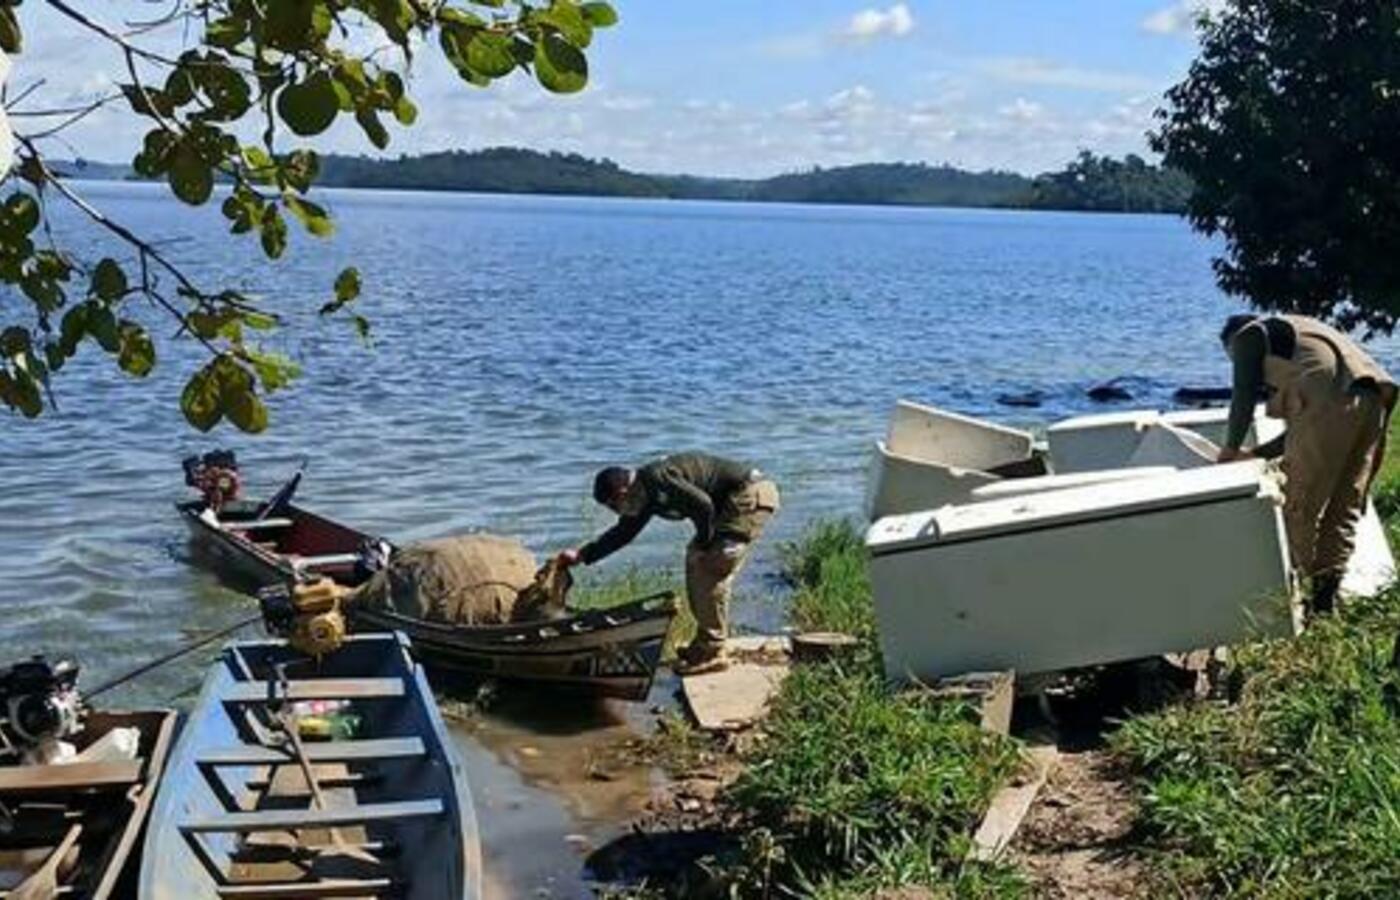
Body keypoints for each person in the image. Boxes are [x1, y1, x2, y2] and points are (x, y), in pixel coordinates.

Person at [1217, 313, 1396, 614]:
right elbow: (1315, 425)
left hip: (1336, 399)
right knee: (1344, 505)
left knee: (1298, 504)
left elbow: (1243, 395)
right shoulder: (1302, 333)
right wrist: (1258, 453)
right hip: (1374, 397)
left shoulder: (1248, 336)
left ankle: (1294, 603)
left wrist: (1229, 450)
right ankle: (1326, 603)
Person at [557, 452, 780, 673]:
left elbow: (703, 505)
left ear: (622, 492)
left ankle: (714, 652)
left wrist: (703, 544)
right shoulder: (643, 498)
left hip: (749, 495)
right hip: (730, 505)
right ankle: (705, 644)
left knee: (710, 565)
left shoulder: (656, 478)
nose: (617, 512)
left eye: (613, 506)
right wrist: (582, 555)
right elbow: (623, 533)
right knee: (696, 562)